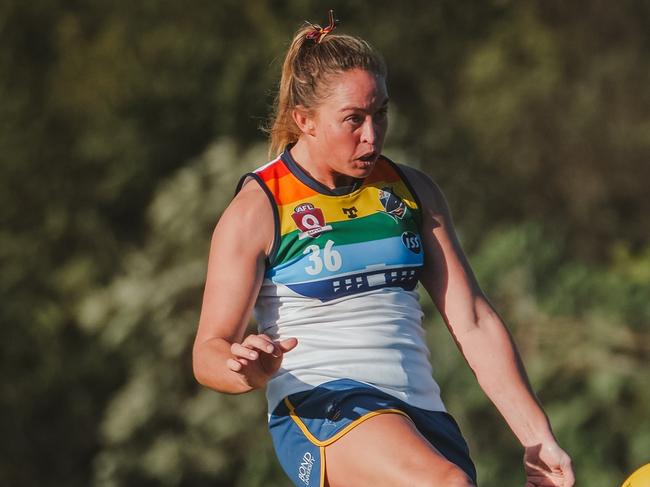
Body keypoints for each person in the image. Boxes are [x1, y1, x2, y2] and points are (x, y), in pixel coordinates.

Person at [193, 11, 575, 487]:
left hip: (421, 414)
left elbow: (473, 320)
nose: (372, 135)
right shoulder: (259, 207)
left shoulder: (412, 191)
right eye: (353, 119)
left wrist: (537, 439)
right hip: (321, 407)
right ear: (304, 120)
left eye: (380, 113)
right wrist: (245, 370)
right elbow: (208, 352)